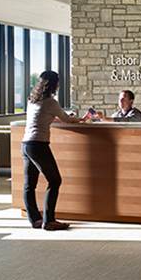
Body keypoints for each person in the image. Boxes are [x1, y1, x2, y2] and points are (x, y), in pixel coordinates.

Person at [21, 71, 87, 230]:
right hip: (38, 144)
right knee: (55, 180)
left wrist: (62, 116)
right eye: (58, 82)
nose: (59, 84)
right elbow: (67, 119)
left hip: (26, 144)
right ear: (53, 84)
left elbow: (45, 116)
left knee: (29, 185)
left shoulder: (32, 100)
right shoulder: (51, 102)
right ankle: (49, 220)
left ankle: (35, 219)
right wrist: (81, 119)